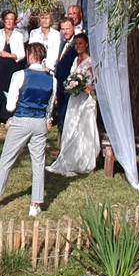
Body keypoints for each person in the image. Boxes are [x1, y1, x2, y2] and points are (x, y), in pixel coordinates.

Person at [0, 42, 56, 217]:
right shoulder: (52, 79)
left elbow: (10, 106)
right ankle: (35, 204)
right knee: (38, 163)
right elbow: (50, 106)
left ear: (30, 56)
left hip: (22, 119)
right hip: (40, 122)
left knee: (7, 158)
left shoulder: (20, 74)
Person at [48, 33, 99, 177]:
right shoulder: (75, 59)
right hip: (74, 98)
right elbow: (71, 77)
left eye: (80, 43)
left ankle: (84, 158)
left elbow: (97, 81)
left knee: (84, 127)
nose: (78, 46)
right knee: (72, 126)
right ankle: (68, 156)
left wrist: (87, 87)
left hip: (86, 100)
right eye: (76, 44)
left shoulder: (91, 61)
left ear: (86, 44)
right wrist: (71, 85)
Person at [0, 10, 25, 126]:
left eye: (12, 19)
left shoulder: (19, 35)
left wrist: (10, 55)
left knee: (9, 90)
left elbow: (21, 54)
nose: (9, 22)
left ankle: (7, 117)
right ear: (3, 21)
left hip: (12, 65)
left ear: (15, 21)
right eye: (7, 19)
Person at [51, 17, 79, 130]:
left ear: (73, 28)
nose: (65, 31)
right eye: (62, 29)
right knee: (61, 106)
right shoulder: (63, 43)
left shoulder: (76, 44)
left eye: (67, 28)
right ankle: (61, 127)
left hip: (70, 82)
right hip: (60, 81)